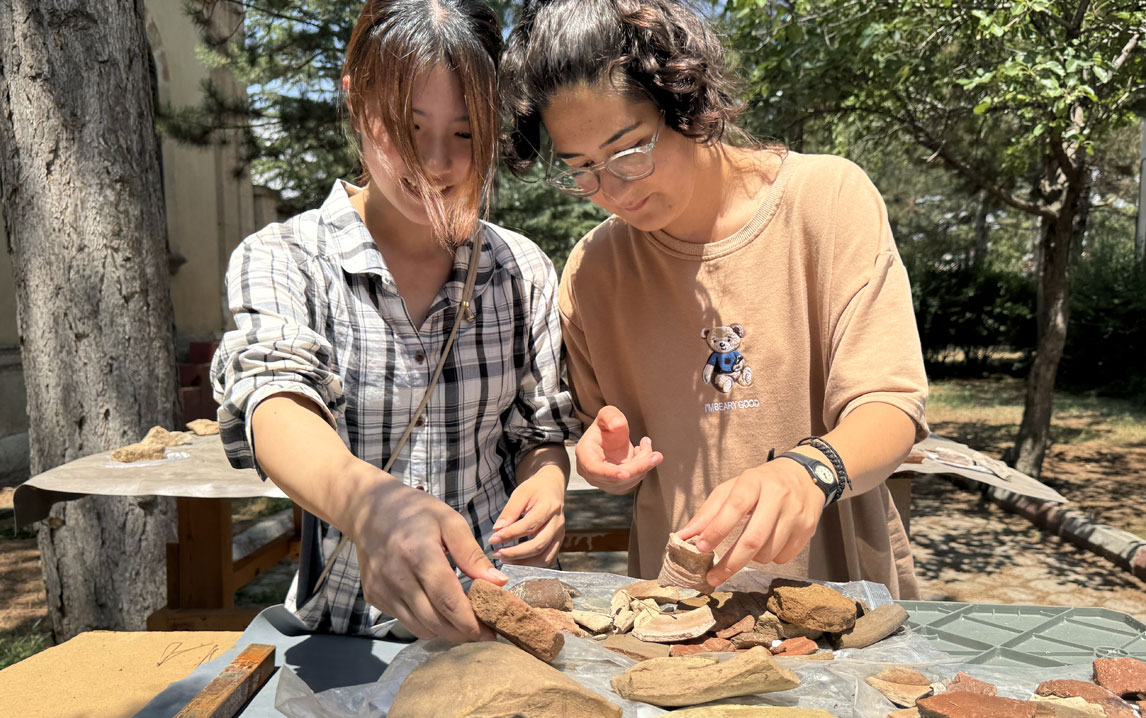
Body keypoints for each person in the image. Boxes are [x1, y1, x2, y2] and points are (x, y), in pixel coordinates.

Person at [501, 0, 928, 598]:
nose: (613, 191)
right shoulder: (595, 271)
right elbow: (604, 443)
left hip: (840, 597)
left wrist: (808, 472)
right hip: (675, 609)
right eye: (582, 168)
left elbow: (891, 407)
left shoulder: (828, 202)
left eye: (629, 151)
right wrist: (602, 463)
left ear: (687, 101)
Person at [211, 0, 579, 640]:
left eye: (466, 135)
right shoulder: (286, 259)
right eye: (409, 129)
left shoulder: (520, 269)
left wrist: (546, 484)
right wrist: (370, 505)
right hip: (347, 631)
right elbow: (274, 398)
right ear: (356, 102)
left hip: (497, 622)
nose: (437, 164)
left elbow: (536, 432)